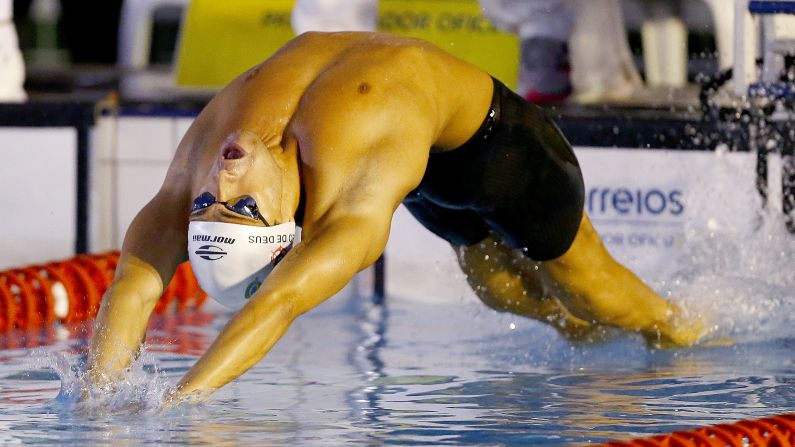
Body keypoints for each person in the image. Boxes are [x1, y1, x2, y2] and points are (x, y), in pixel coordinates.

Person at [87, 32, 703, 404]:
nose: (223, 180)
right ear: (285, 231)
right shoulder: (348, 208)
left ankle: (681, 329)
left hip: (500, 147)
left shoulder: (204, 158)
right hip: (414, 158)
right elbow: (259, 303)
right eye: (241, 207)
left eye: (209, 205)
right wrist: (139, 405)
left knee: (592, 287)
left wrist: (136, 398)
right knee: (497, 287)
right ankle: (576, 332)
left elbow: (139, 288)